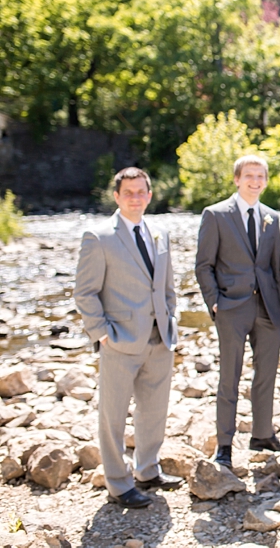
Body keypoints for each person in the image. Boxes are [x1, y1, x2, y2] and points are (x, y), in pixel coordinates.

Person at [74, 167, 181, 509]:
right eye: (128, 192)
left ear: (149, 195)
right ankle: (119, 484)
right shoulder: (98, 236)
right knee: (113, 416)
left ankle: (148, 470)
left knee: (154, 411)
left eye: (141, 192)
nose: (135, 198)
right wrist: (102, 334)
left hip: (159, 338)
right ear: (117, 197)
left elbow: (165, 286)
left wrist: (172, 321)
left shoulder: (160, 232)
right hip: (119, 341)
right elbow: (85, 293)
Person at [195, 155, 280, 468]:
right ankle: (224, 444)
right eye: (249, 175)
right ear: (237, 179)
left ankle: (262, 434)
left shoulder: (272, 218)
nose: (255, 181)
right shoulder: (216, 214)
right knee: (229, 377)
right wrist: (214, 302)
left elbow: (276, 268)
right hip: (231, 307)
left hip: (268, 308)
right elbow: (204, 265)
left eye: (260, 176)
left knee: (266, 375)